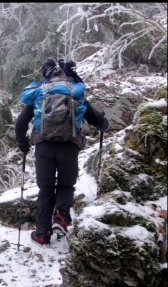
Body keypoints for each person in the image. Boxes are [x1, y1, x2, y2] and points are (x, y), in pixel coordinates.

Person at [15, 57, 109, 245]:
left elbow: (21, 122)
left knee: (46, 189)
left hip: (44, 146)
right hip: (69, 146)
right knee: (66, 186)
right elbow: (96, 120)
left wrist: (23, 143)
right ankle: (61, 217)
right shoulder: (75, 93)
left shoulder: (40, 93)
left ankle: (42, 233)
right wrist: (104, 124)